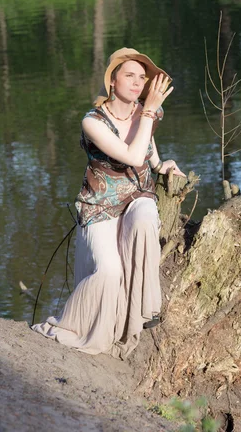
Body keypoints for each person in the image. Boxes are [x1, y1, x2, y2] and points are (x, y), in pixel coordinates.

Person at [32, 47, 185, 359]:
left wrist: (160, 164)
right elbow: (129, 154)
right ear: (112, 82)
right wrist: (149, 111)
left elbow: (146, 147)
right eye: (129, 75)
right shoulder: (93, 122)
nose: (137, 82)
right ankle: (79, 328)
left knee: (144, 219)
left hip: (137, 197)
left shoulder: (147, 112)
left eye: (143, 77)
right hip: (99, 205)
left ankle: (145, 309)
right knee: (108, 272)